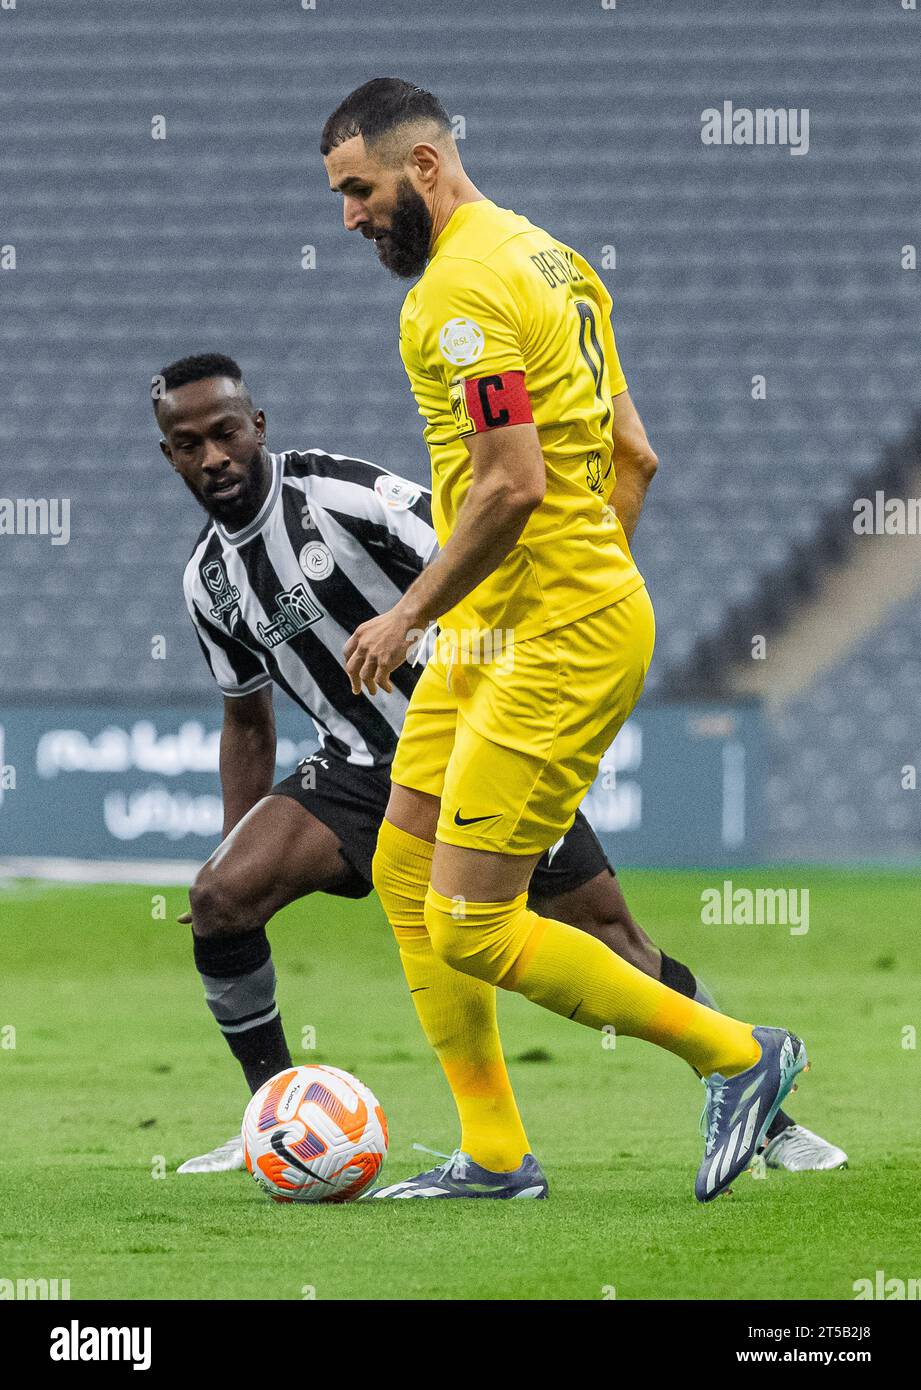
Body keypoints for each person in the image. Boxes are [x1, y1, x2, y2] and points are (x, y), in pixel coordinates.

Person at [321, 79, 832, 1202]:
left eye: (357, 192)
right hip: (511, 627)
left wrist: (416, 610)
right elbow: (633, 454)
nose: (348, 219)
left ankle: (740, 1055)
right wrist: (576, 582)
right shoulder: (553, 259)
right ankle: (495, 1154)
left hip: (538, 635)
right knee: (404, 866)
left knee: (472, 924)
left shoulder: (456, 297)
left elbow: (509, 484)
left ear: (420, 167)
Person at [154, 353, 843, 1179]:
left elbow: (474, 550)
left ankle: (763, 1107)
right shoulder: (208, 581)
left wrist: (426, 629)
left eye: (226, 432)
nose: (214, 456)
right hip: (357, 767)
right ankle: (273, 1116)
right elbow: (246, 722)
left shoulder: (339, 494)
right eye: (190, 443)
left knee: (608, 935)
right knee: (219, 897)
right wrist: (236, 839)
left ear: (256, 426)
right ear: (171, 454)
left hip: (469, 740)